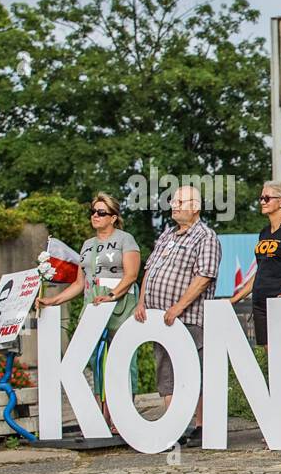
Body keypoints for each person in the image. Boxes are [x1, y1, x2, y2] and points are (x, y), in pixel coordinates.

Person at [38, 192, 141, 428]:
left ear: (113, 217)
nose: (95, 216)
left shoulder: (126, 240)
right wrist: (54, 301)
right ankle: (99, 419)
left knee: (123, 359)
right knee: (95, 360)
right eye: (93, 212)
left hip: (119, 304)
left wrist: (112, 296)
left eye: (101, 212)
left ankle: (123, 417)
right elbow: (78, 283)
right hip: (92, 305)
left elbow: (131, 275)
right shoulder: (87, 245)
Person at [135, 184, 222, 447]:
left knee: (193, 371)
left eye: (181, 202)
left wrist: (178, 307)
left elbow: (204, 277)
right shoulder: (166, 235)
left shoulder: (205, 237)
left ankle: (202, 425)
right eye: (173, 201)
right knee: (166, 372)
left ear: (195, 208)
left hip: (189, 318)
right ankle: (173, 426)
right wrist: (142, 302)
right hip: (158, 319)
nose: (175, 205)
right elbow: (149, 269)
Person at [228, 182, 281, 417]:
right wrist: (236, 297)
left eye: (267, 198)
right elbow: (260, 272)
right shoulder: (264, 233)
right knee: (273, 364)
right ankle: (276, 421)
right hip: (262, 306)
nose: (262, 201)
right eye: (261, 198)